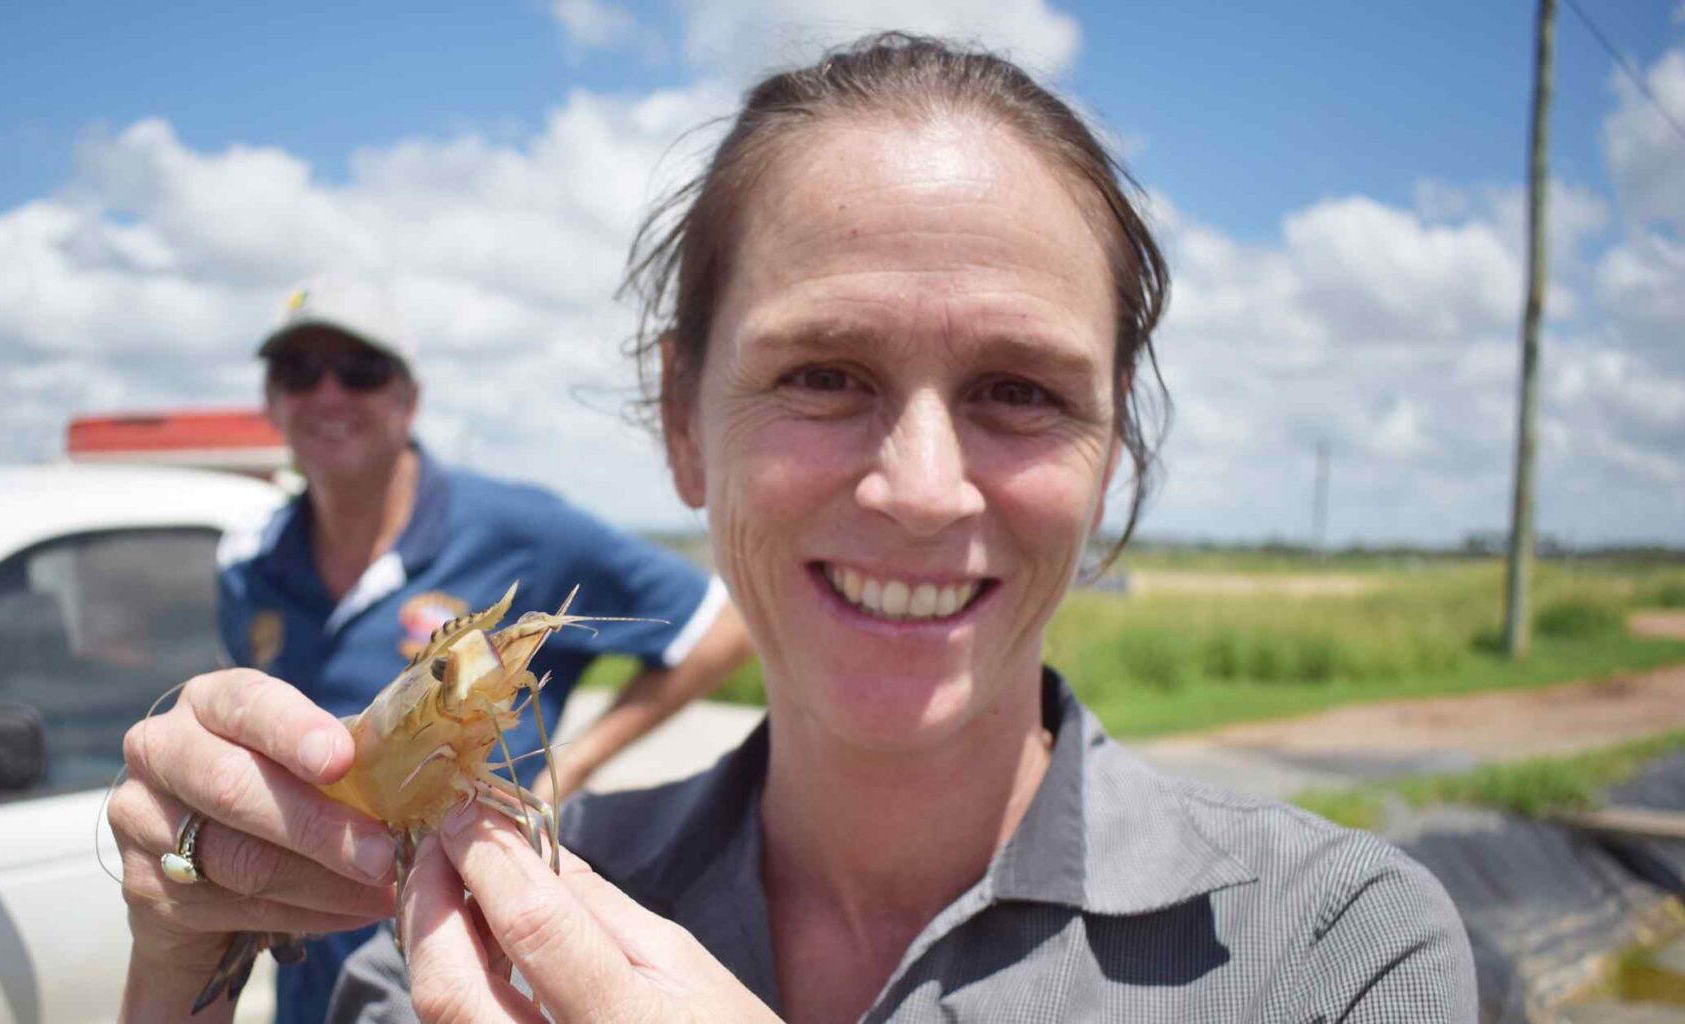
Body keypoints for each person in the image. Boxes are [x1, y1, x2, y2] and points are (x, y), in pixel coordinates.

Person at [113, 34, 1476, 1024]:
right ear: (683, 421)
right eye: (823, 374)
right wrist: (184, 958)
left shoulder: (1333, 954)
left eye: (1022, 392)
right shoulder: (454, 937)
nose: (921, 487)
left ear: (1114, 452)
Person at [195, 277, 751, 1024]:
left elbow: (720, 625)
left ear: (408, 399)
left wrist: (573, 766)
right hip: (308, 972)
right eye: (299, 372)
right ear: (272, 402)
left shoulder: (524, 528)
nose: (328, 394)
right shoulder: (247, 562)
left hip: (469, 972)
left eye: (360, 371)